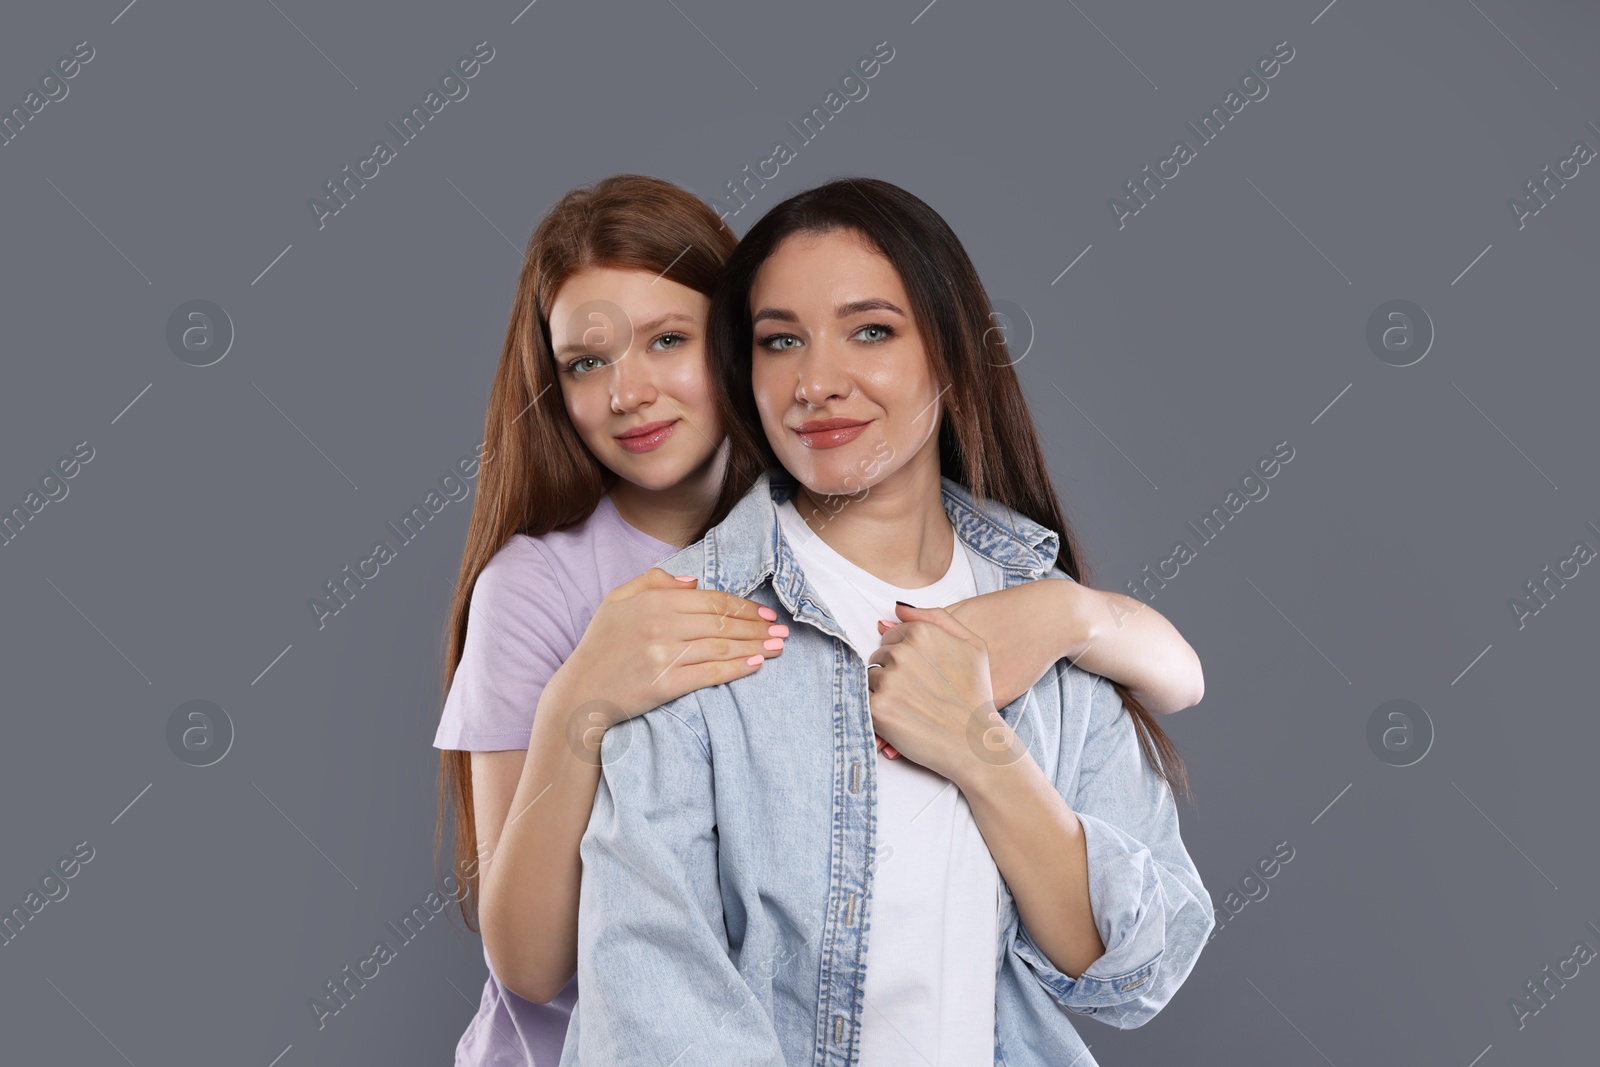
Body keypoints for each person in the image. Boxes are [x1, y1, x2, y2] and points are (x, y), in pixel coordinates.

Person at [435, 175, 1205, 1066]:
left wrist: (1056, 629)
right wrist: (580, 698)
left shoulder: (1023, 596)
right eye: (783, 341)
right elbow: (557, 973)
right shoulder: (639, 615)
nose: (628, 393)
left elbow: (1140, 956)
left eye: (668, 341)